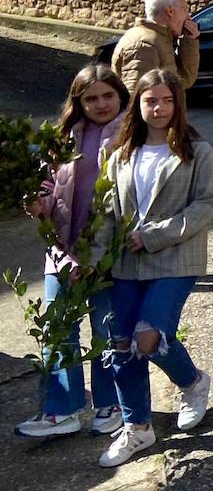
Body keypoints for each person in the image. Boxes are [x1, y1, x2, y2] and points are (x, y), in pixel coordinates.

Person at [89, 69, 213, 467]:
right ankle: (138, 429)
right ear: (138, 104)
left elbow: (205, 206)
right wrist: (93, 261)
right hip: (128, 261)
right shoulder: (120, 152)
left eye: (166, 100)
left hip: (175, 256)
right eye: (150, 100)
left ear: (177, 103)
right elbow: (108, 213)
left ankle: (193, 383)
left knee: (149, 336)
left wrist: (153, 234)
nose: (159, 107)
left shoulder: (198, 151)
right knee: (120, 343)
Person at [15, 64, 129, 438]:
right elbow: (47, 188)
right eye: (90, 98)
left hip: (108, 255)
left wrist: (94, 258)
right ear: (77, 101)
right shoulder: (61, 139)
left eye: (107, 96)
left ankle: (111, 404)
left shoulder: (132, 135)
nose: (100, 104)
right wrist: (37, 204)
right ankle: (59, 411)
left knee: (105, 329)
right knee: (58, 328)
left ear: (120, 96)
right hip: (62, 253)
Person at [112, 0, 200, 94]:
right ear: (170, 11)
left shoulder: (160, 39)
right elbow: (137, 96)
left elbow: (183, 81)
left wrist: (189, 41)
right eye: (185, 9)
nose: (188, 17)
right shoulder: (144, 43)